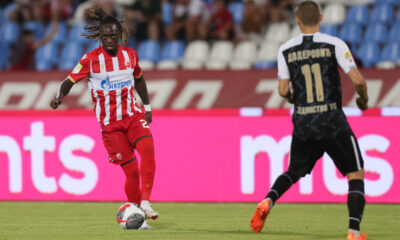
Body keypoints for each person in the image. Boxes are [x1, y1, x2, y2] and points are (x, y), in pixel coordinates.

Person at [250, 1, 369, 240]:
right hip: (332, 120)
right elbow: (357, 80)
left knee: (293, 171)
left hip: (304, 121)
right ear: (321, 17)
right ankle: (354, 232)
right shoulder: (334, 43)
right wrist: (363, 100)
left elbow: (283, 90)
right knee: (355, 174)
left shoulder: (286, 49)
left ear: (297, 20)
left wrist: (295, 97)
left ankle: (268, 200)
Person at [49, 7, 158, 229]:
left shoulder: (130, 55)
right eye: (105, 35)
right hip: (110, 126)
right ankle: (136, 212)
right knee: (131, 170)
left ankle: (145, 203)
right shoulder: (90, 60)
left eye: (112, 35)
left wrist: (146, 106)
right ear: (100, 37)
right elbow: (69, 81)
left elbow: (139, 80)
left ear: (119, 35)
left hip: (133, 116)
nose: (109, 39)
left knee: (148, 149)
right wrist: (59, 96)